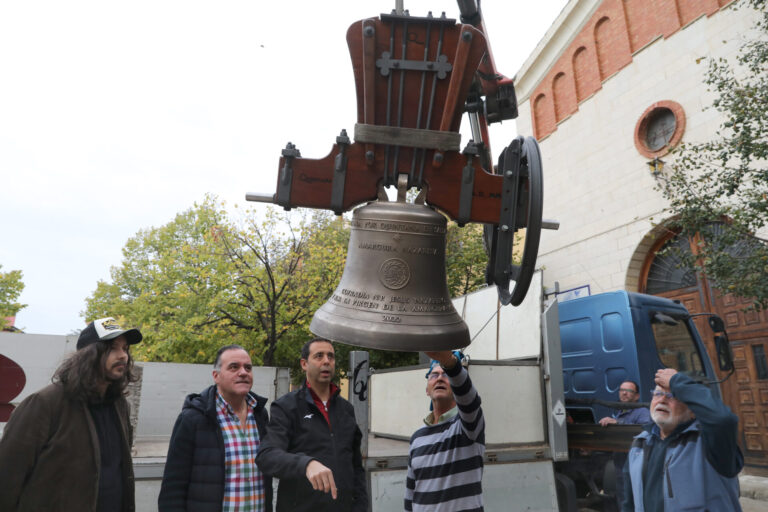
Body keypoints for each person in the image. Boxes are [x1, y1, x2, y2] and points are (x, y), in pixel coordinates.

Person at [0, 316, 142, 512]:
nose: (123, 356)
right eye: (112, 348)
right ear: (89, 355)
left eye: (125, 348)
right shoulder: (44, 403)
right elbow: (7, 477)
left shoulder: (120, 406)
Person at [256, 338, 366, 512]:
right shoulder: (286, 407)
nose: (326, 361)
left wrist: (361, 506)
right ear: (304, 364)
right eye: (319, 356)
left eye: (331, 356)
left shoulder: (346, 409)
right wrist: (306, 464)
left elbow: (356, 467)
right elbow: (267, 456)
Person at [158, 344, 272, 512]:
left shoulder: (260, 415)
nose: (243, 372)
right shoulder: (193, 419)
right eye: (234, 367)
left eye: (248, 368)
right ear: (216, 376)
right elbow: (173, 487)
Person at [622, 368, 743, 511]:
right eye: (658, 394)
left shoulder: (709, 441)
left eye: (673, 395)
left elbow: (723, 420)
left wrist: (677, 382)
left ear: (693, 411)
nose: (662, 400)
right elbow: (629, 503)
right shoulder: (639, 444)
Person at [405, 350, 485, 511]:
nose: (440, 378)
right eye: (434, 375)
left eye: (446, 374)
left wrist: (450, 363)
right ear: (427, 390)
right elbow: (410, 496)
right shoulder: (417, 438)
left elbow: (470, 399)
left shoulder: (467, 426)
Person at [597, 380, 650, 507]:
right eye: (621, 390)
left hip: (635, 467)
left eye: (629, 391)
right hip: (621, 467)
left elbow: (643, 430)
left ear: (637, 396)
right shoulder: (620, 413)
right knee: (623, 501)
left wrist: (617, 424)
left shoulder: (642, 411)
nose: (624, 393)